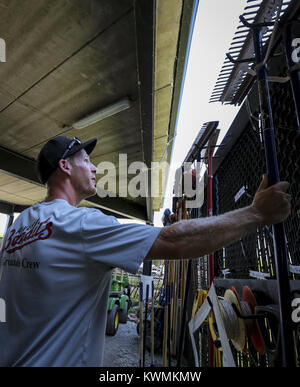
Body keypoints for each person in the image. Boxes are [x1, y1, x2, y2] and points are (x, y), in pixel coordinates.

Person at [0, 136, 291, 367]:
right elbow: (175, 241)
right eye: (86, 160)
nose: (95, 168)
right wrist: (256, 215)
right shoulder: (80, 224)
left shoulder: (19, 226)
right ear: (65, 166)